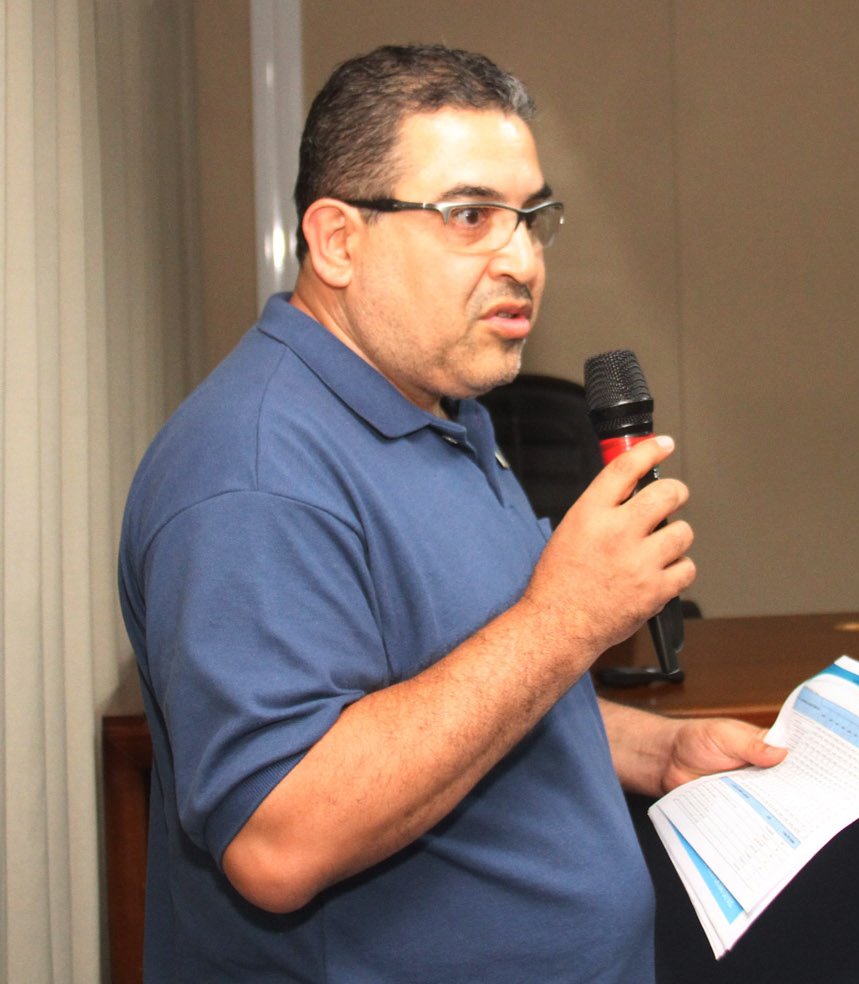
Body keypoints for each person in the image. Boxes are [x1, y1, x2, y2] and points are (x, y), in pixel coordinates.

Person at [117, 43, 784, 982]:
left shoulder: (445, 406)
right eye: (471, 217)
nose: (522, 259)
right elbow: (279, 838)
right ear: (338, 241)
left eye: (532, 218)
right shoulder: (253, 473)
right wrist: (567, 618)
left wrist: (656, 749)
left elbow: (461, 689)